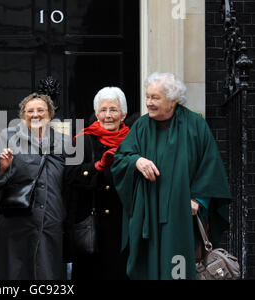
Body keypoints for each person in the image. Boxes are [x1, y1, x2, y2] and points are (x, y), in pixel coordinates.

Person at [111, 72, 232, 280]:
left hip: (182, 215)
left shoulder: (195, 126)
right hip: (148, 212)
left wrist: (198, 199)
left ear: (173, 100)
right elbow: (121, 159)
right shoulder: (140, 126)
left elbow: (210, 166)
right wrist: (136, 161)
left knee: (179, 270)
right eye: (147, 96)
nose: (148, 102)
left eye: (155, 98)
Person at [0, 93, 67, 280]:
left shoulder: (63, 141)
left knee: (47, 273)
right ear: (22, 116)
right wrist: (3, 167)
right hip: (17, 220)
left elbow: (68, 180)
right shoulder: (8, 137)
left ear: (50, 114)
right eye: (30, 111)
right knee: (15, 272)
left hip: (50, 219)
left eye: (41, 110)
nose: (35, 114)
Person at [64, 87, 129, 280]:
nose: (108, 115)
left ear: (123, 114)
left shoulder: (134, 140)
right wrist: (98, 167)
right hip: (91, 224)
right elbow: (69, 175)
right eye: (103, 110)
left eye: (113, 110)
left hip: (123, 225)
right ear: (97, 113)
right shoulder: (83, 140)